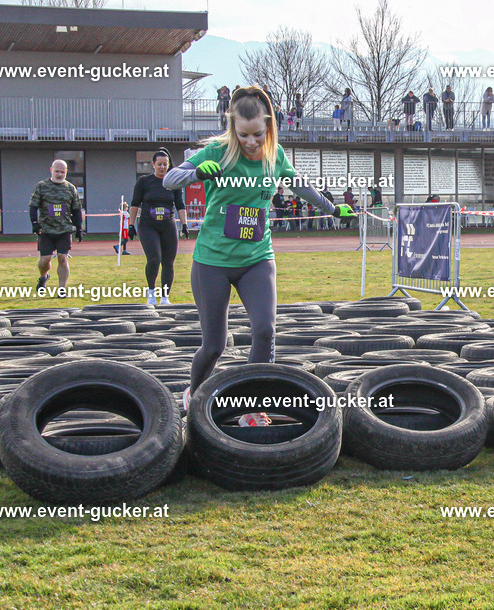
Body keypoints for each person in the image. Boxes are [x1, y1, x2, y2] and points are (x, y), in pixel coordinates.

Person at [163, 85, 356, 418]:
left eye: (257, 134)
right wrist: (196, 172)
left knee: (265, 330)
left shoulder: (275, 154)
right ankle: (194, 395)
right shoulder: (218, 152)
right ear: (232, 128)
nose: (251, 142)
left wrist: (333, 208)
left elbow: (300, 186)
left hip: (257, 259)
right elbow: (170, 179)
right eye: (243, 135)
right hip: (213, 262)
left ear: (268, 127)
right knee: (214, 346)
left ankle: (252, 407)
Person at [127, 148, 189, 305]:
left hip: (168, 224)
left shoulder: (173, 182)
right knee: (154, 258)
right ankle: (151, 292)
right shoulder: (144, 182)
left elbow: (180, 204)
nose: (162, 167)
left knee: (168, 261)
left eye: (165, 164)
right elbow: (135, 204)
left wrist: (184, 224)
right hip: (148, 225)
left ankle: (165, 296)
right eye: (160, 164)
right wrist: (131, 225)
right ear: (153, 164)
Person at [29, 159, 83, 297]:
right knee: (44, 260)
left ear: (66, 172)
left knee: (62, 258)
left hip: (64, 229)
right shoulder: (42, 186)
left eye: (62, 172)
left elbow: (76, 209)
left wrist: (79, 228)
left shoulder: (70, 188)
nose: (59, 174)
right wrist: (34, 223)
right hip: (46, 230)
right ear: (51, 170)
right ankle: (43, 277)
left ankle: (62, 289)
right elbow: (33, 206)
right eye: (57, 171)